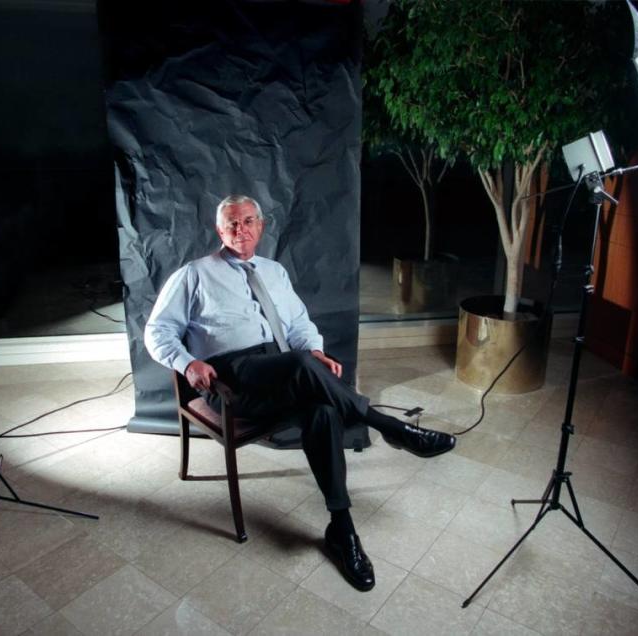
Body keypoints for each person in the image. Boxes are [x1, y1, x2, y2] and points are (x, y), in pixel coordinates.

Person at [144, 194, 456, 591]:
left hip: (281, 371)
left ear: (261, 225)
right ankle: (389, 426)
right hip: (230, 381)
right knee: (300, 365)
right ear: (219, 231)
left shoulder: (273, 272)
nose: (241, 229)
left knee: (321, 410)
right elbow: (157, 332)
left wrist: (316, 350)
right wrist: (188, 363)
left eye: (248, 221)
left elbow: (298, 324)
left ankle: (342, 531)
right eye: (232, 224)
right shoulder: (194, 275)